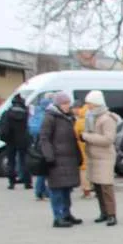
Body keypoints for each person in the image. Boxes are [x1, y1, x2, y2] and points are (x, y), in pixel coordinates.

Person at [39, 91, 83, 228]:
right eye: (64, 103)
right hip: (56, 159)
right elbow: (44, 138)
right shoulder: (50, 117)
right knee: (57, 189)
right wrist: (49, 156)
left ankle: (66, 213)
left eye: (68, 103)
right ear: (58, 104)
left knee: (66, 189)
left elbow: (73, 139)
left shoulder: (69, 117)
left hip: (69, 158)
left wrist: (78, 155)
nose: (67, 106)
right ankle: (57, 217)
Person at [79, 90, 120, 226]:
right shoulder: (91, 117)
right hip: (94, 156)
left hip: (105, 158)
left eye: (89, 103)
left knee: (106, 187)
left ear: (96, 103)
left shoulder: (107, 118)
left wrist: (86, 137)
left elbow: (108, 139)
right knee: (97, 186)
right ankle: (103, 213)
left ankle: (112, 215)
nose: (88, 106)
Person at [0, 94, 32, 190]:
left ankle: (11, 182)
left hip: (10, 140)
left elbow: (2, 126)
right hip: (23, 140)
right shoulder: (25, 113)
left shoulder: (7, 113)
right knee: (24, 161)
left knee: (11, 162)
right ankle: (27, 182)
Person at [28, 92, 53, 201]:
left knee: (41, 171)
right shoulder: (47, 115)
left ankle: (40, 191)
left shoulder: (36, 113)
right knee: (47, 171)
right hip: (45, 144)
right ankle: (44, 191)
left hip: (36, 144)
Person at [72, 101, 93, 199]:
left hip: (82, 147)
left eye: (74, 108)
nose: (72, 110)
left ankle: (87, 190)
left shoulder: (81, 120)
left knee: (84, 169)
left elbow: (77, 134)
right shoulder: (89, 116)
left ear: (78, 108)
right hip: (88, 147)